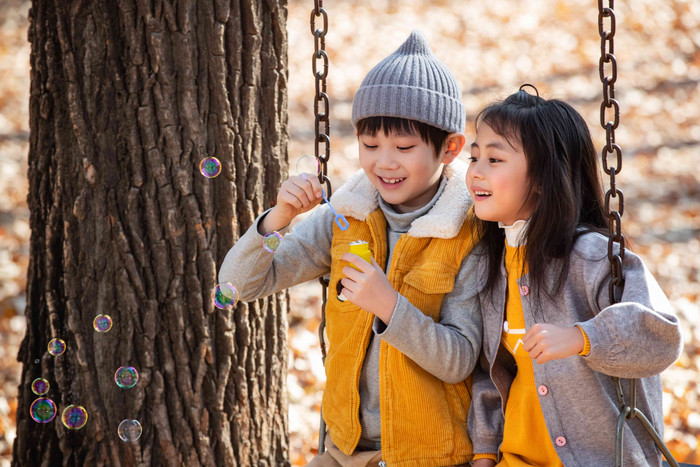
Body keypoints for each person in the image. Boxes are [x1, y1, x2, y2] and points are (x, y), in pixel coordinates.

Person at [219, 31, 486, 466]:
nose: (384, 162)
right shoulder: (347, 216)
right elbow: (236, 285)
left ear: (449, 148)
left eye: (403, 147)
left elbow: (459, 359)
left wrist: (389, 306)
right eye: (369, 145)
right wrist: (278, 220)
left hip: (429, 456)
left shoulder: (466, 233)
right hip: (343, 452)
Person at [465, 85, 683, 467]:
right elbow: (491, 372)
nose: (475, 172)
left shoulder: (594, 256)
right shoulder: (491, 263)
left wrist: (581, 338)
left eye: (494, 160)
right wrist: (485, 452)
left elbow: (661, 337)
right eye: (474, 157)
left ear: (541, 178)